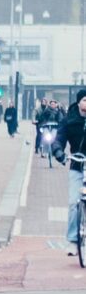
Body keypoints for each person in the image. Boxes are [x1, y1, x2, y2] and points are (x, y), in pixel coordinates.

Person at [52, 89, 86, 257]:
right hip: (77, 166)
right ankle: (73, 240)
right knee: (74, 203)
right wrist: (58, 152)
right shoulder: (68, 120)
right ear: (79, 102)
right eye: (85, 100)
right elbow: (59, 139)